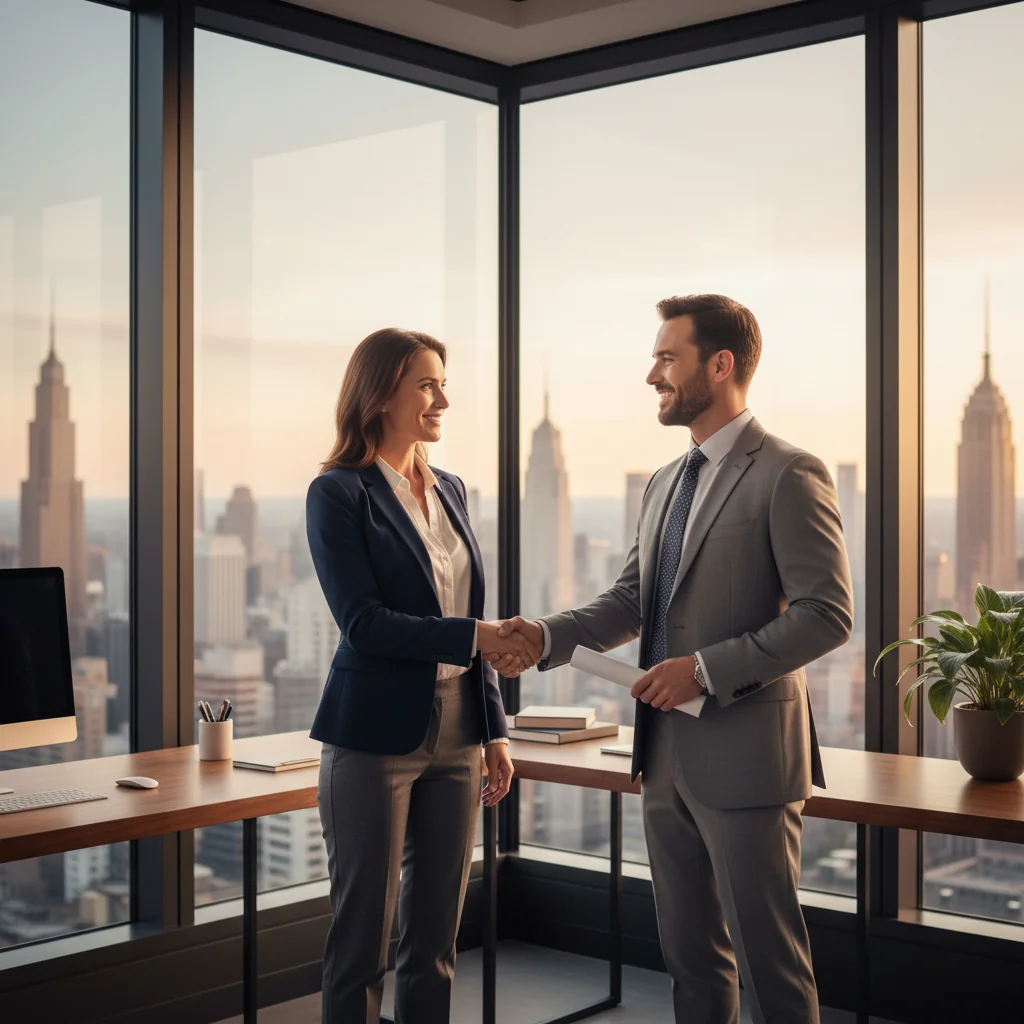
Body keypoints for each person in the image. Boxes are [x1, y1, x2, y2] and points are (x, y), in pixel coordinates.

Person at [492, 294, 853, 1024]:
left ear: (720, 366)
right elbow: (632, 601)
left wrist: (707, 669)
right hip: (663, 758)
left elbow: (828, 616)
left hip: (749, 759)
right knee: (690, 963)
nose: (651, 374)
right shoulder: (664, 482)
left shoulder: (788, 471)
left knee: (770, 968)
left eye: (666, 357)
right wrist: (545, 634)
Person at [306, 327, 534, 1024]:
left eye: (442, 382)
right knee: (361, 941)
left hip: (463, 728)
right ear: (381, 395)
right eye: (427, 383)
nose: (442, 398)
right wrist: (475, 637)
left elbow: (471, 610)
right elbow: (363, 623)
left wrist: (494, 727)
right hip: (375, 735)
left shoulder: (453, 489)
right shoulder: (338, 493)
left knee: (436, 939)